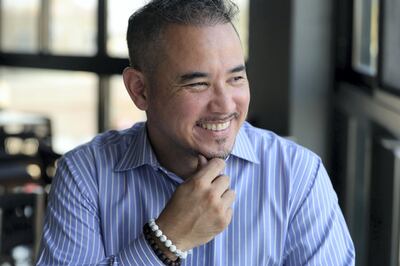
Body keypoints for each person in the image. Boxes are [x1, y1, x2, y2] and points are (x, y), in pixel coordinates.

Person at [36, 0, 355, 265]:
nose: (225, 104)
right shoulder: (84, 174)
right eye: (198, 83)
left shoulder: (298, 175)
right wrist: (166, 240)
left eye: (236, 78)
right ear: (140, 90)